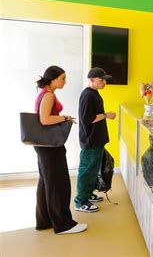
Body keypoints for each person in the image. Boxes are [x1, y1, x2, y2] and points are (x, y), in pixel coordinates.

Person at [34, 65, 87, 234]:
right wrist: (64, 118)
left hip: (44, 145)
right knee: (58, 183)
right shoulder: (48, 95)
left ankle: (45, 221)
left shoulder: (44, 92)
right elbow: (44, 119)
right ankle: (63, 224)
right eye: (63, 78)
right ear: (53, 79)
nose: (65, 81)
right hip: (50, 146)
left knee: (47, 183)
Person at [74, 67, 116, 213]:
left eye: (105, 80)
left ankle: (88, 194)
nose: (105, 82)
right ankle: (80, 202)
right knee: (87, 170)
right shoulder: (87, 96)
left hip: (97, 139)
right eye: (101, 80)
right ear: (91, 79)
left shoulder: (94, 93)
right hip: (90, 141)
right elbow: (87, 119)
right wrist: (106, 115)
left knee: (92, 170)